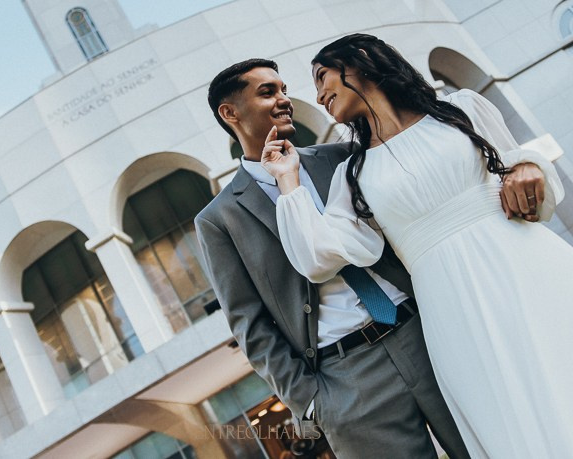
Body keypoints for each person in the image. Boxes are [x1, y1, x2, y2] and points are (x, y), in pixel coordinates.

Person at [262, 34, 573, 459]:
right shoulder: (354, 172)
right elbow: (318, 258)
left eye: (322, 77)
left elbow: (516, 162)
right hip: (452, 306)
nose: (318, 96)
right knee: (514, 415)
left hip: (528, 266)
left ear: (358, 63)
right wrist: (287, 178)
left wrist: (525, 169)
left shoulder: (460, 110)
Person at [194, 59, 470, 458]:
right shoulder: (219, 220)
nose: (284, 99)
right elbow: (248, 324)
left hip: (425, 334)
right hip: (345, 381)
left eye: (284, 89)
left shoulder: (342, 156)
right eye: (268, 92)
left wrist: (516, 166)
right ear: (229, 112)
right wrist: (310, 402)